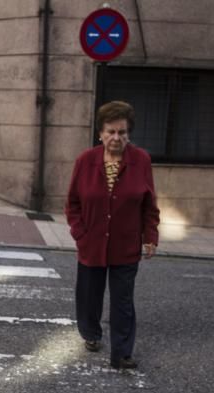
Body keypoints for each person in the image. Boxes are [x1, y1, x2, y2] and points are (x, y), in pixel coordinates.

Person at [65, 100, 160, 370]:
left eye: (122, 132)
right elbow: (72, 203)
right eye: (111, 131)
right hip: (91, 243)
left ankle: (122, 353)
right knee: (89, 297)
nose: (116, 138)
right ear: (100, 133)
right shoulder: (85, 160)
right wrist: (80, 234)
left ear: (129, 134)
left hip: (125, 245)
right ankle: (91, 334)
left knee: (123, 302)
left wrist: (149, 236)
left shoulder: (141, 160)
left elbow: (149, 204)